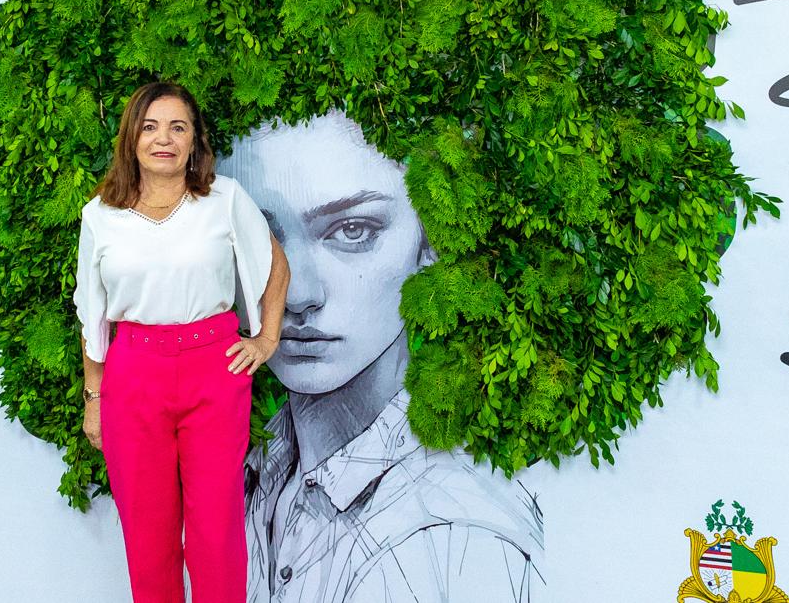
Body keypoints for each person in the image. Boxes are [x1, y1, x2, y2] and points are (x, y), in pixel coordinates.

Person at [217, 109, 544, 603]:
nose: (298, 291)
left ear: (429, 240)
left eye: (352, 231)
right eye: (256, 240)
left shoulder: (452, 538)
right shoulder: (257, 465)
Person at [72, 81, 291, 603]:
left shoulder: (224, 200)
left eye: (178, 127)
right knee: (148, 537)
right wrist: (94, 399)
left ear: (194, 141)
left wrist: (266, 338)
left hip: (213, 371)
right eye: (150, 127)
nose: (163, 139)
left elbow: (274, 265)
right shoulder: (99, 216)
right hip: (132, 375)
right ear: (131, 140)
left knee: (216, 533)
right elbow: (92, 313)